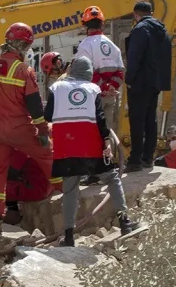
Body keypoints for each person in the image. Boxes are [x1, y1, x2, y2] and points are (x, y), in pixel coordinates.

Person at [47, 56, 140, 247]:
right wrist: (106, 140)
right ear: (89, 72)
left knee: (70, 189)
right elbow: (100, 118)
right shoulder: (93, 89)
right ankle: (125, 222)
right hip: (91, 145)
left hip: (67, 147)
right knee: (112, 179)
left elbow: (47, 115)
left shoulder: (57, 88)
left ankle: (69, 236)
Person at [0, 23, 54, 233]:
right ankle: (65, 194)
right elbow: (35, 104)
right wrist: (43, 131)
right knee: (48, 155)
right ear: (24, 45)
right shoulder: (23, 70)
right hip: (18, 126)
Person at [124, 0, 172, 171]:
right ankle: (148, 157)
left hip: (140, 82)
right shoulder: (162, 31)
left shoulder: (140, 30)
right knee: (151, 120)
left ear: (136, 14)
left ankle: (135, 160)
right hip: (155, 83)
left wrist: (129, 80)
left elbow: (135, 57)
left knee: (137, 121)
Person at [75, 5, 126, 133]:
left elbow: (85, 73)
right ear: (102, 24)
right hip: (111, 96)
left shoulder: (85, 46)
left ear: (85, 26)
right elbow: (120, 73)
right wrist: (111, 87)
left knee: (92, 133)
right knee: (107, 133)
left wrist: (103, 87)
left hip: (92, 97)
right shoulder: (113, 46)